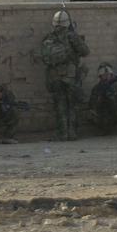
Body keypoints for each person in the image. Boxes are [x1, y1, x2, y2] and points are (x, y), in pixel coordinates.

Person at [40, 9, 90, 141]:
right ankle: (72, 133)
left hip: (54, 76)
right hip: (70, 76)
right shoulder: (71, 35)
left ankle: (62, 133)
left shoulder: (48, 37)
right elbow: (85, 51)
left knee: (59, 105)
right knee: (72, 104)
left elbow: (43, 58)